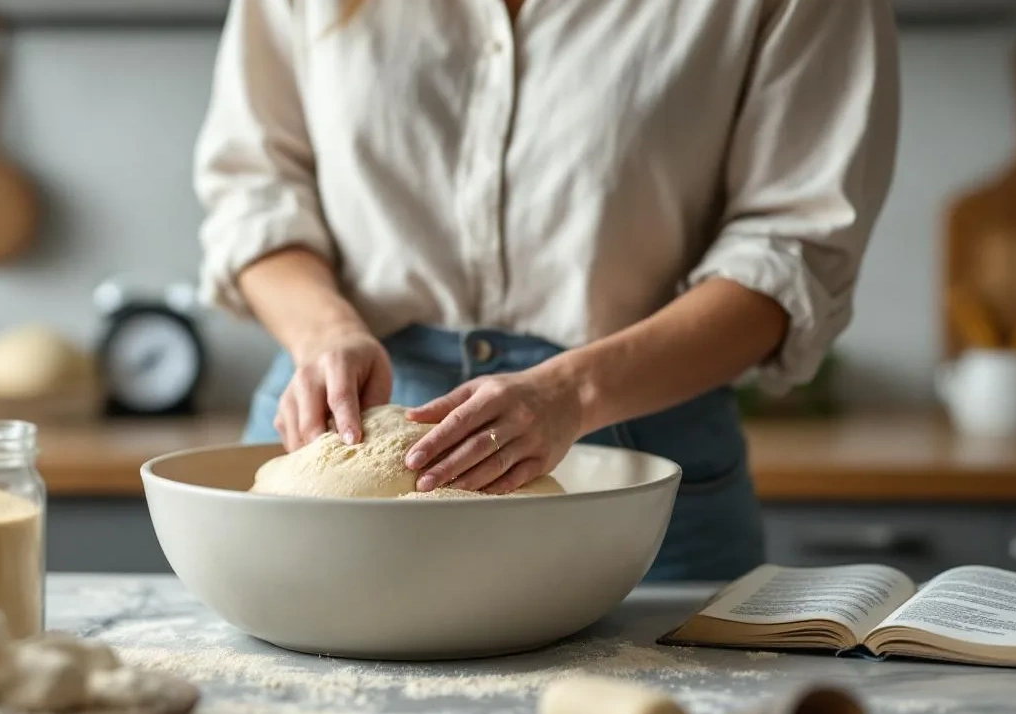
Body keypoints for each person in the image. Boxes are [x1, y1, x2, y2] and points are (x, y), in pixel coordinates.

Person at [194, 0, 899, 580]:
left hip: (626, 447)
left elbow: (794, 251)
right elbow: (255, 193)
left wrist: (574, 392)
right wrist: (324, 332)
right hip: (328, 424)